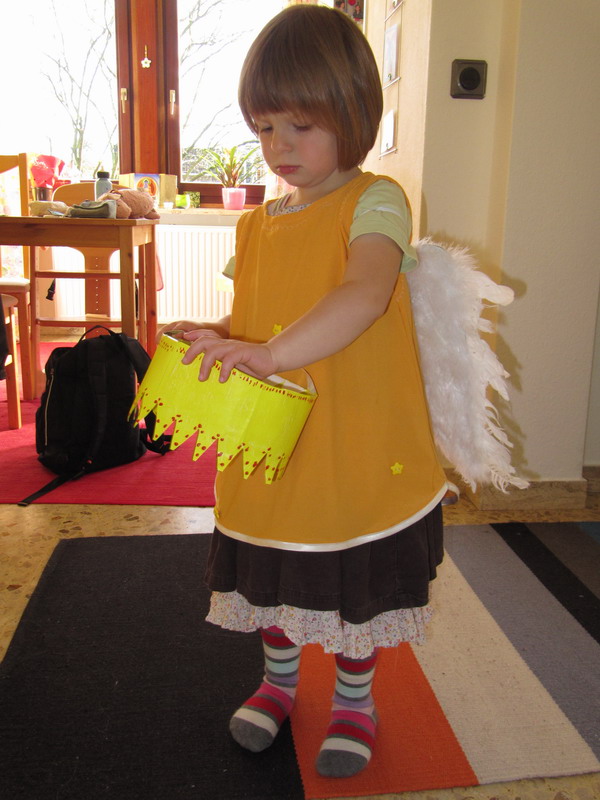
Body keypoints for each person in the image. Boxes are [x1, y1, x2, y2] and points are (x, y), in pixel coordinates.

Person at [165, 5, 448, 779]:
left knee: (354, 580)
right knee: (272, 566)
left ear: (352, 113)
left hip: (353, 440)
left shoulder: (375, 201)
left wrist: (269, 354)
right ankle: (279, 683)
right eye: (264, 128)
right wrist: (217, 334)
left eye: (300, 125)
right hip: (273, 440)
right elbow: (259, 314)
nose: (279, 147)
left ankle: (355, 700)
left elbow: (363, 294)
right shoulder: (255, 225)